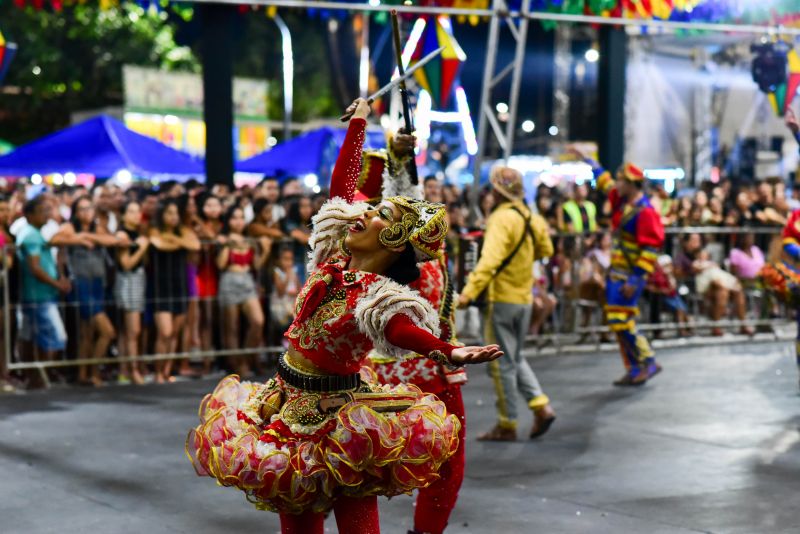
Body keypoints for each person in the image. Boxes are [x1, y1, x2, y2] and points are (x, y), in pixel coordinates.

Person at [186, 99, 502, 534]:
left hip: (339, 418)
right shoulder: (331, 259)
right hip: (286, 405)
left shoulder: (376, 294)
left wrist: (448, 350)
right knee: (298, 517)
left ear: (393, 243)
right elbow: (340, 189)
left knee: (356, 520)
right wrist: (357, 126)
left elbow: (398, 327)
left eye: (378, 214)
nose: (363, 211)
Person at [359, 131, 468, 534]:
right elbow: (405, 211)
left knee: (359, 468)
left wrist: (399, 160)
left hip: (381, 376)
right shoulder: (392, 254)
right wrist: (399, 162)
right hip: (422, 374)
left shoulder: (361, 258)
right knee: (442, 463)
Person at [458, 166, 556, 442]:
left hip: (500, 298)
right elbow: (546, 250)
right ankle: (541, 406)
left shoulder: (501, 218)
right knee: (514, 357)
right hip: (524, 298)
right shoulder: (531, 216)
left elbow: (489, 261)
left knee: (501, 364)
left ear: (497, 191)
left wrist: (468, 292)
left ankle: (507, 423)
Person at [574, 147, 665, 386]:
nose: (617, 184)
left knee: (622, 320)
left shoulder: (645, 212)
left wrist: (635, 279)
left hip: (629, 275)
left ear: (632, 184)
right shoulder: (622, 200)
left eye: (622, 180)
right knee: (617, 320)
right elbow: (603, 180)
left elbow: (651, 248)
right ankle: (635, 368)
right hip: (617, 272)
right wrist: (587, 158)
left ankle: (648, 361)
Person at [57, 195, 123, 387]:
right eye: (82, 209)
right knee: (107, 331)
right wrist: (79, 238)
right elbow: (56, 238)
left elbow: (112, 240)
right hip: (81, 284)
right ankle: (94, 371)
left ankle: (83, 373)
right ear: (76, 213)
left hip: (98, 284)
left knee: (87, 333)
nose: (87, 213)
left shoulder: (96, 228)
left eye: (89, 208)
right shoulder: (70, 227)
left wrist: (88, 237)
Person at [16, 196, 71, 389]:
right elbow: (35, 268)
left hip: (39, 295)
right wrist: (57, 284)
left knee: (32, 337)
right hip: (38, 296)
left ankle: (35, 377)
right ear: (29, 215)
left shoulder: (34, 233)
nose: (46, 214)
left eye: (48, 210)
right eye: (42, 211)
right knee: (55, 337)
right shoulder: (30, 234)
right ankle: (40, 376)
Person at [148, 199, 200, 383]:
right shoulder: (154, 230)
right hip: (161, 287)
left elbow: (195, 245)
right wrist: (179, 243)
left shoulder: (182, 231)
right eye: (169, 213)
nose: (173, 217)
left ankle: (166, 371)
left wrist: (175, 240)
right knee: (165, 332)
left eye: (175, 213)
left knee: (175, 333)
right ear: (162, 215)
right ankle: (157, 371)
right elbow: (159, 244)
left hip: (180, 286)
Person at [216, 204, 270, 377]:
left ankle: (244, 361)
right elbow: (220, 264)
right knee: (231, 327)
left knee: (258, 321)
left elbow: (256, 265)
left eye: (241, 217)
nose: (238, 221)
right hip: (229, 281)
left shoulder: (249, 241)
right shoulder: (223, 239)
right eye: (234, 217)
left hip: (247, 281)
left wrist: (266, 250)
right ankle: (235, 366)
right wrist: (226, 246)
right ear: (228, 220)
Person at [114, 200, 149, 385]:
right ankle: (132, 370)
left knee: (128, 331)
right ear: (124, 214)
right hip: (128, 282)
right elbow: (126, 264)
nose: (137, 215)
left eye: (138, 211)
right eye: (132, 211)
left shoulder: (137, 233)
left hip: (137, 281)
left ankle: (125, 369)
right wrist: (142, 248)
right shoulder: (122, 234)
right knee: (132, 330)